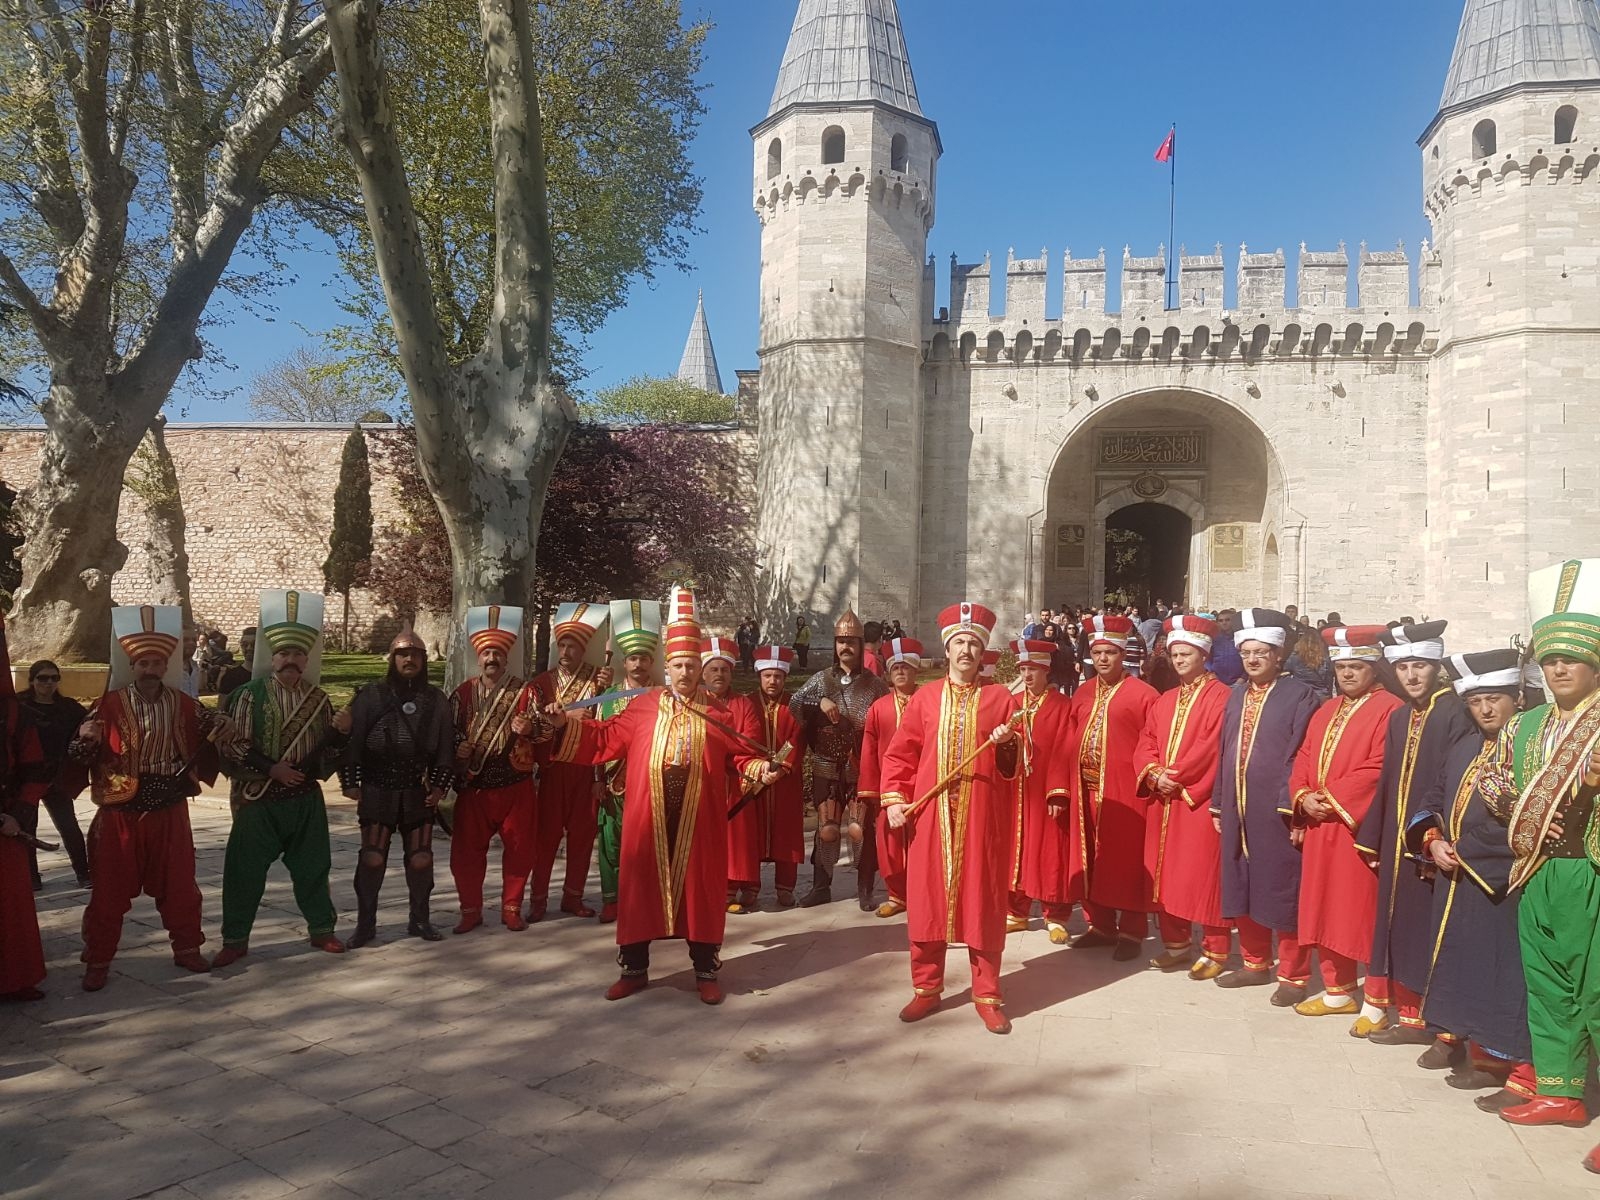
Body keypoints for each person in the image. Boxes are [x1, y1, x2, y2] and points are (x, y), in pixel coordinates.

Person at [539, 603, 776, 1005]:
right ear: (668, 667)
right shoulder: (643, 707)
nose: (685, 673)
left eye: (691, 665)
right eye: (678, 665)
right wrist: (565, 724)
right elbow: (602, 738)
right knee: (640, 888)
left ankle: (705, 970)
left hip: (698, 820)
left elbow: (738, 755)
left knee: (700, 889)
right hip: (647, 817)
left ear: (699, 667)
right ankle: (633, 970)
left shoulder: (716, 712)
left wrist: (758, 768)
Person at [1476, 560, 1600, 1157]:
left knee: (1597, 990)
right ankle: (1561, 1091)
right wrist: (1528, 815)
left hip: (1592, 870)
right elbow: (1492, 780)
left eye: (1571, 659)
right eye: (1551, 659)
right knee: (1548, 986)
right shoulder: (1524, 725)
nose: (1559, 668)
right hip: (1536, 869)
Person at [70, 605, 234, 991]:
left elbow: (218, 733)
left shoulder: (184, 704)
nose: (150, 668)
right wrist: (84, 740)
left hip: (169, 805)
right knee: (108, 890)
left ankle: (187, 948)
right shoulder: (107, 705)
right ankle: (98, 960)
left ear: (166, 665)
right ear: (133, 665)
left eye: (157, 662)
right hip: (120, 809)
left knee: (179, 883)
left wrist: (225, 725)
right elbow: (77, 754)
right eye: (143, 662)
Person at [881, 602, 1021, 1033]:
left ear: (982, 653)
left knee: (983, 902)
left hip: (982, 818)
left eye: (973, 644)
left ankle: (987, 994)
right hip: (931, 817)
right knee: (926, 902)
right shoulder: (925, 698)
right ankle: (926, 989)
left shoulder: (1000, 699)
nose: (966, 650)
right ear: (948, 650)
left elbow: (1017, 766)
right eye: (959, 642)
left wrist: (1006, 741)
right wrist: (893, 800)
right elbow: (902, 753)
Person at [1413, 648, 1535, 1112]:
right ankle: (1464, 1039)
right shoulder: (1464, 745)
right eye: (1477, 700)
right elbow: (1437, 793)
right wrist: (1432, 839)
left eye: (1494, 700)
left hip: (1496, 879)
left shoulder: (1528, 747)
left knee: (1500, 969)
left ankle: (1502, 1059)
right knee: (1459, 959)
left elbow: (1526, 815)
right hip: (1455, 872)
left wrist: (1465, 849)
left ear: (1515, 698)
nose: (1485, 710)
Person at [1356, 619, 1478, 1050]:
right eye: (1403, 666)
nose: (1411, 675)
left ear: (1436, 667)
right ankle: (1409, 1015)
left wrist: (1432, 839)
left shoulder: (1455, 713)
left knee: (1430, 930)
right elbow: (1389, 779)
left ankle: (1440, 1022)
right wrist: (1375, 837)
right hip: (1397, 839)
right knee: (1399, 926)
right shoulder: (1400, 715)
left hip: (1432, 843)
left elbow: (1455, 781)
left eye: (1420, 666)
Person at [213, 590, 351, 967]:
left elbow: (326, 754)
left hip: (304, 798)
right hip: (258, 796)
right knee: (244, 870)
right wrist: (271, 768)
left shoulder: (320, 700)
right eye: (283, 654)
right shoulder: (248, 695)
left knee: (313, 866)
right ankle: (235, 939)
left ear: (307, 659)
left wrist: (341, 734)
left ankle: (322, 930)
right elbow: (234, 745)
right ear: (271, 658)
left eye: (297, 654)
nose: (290, 660)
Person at [1284, 626, 1402, 1025]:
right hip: (1320, 826)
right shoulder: (1326, 708)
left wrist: (1331, 799)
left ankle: (1376, 1001)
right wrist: (1302, 795)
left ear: (1374, 667)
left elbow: (1380, 766)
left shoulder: (1390, 708)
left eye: (1357, 666)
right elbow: (1304, 754)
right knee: (1322, 908)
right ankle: (1338, 991)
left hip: (1357, 828)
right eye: (1342, 667)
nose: (1348, 674)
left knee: (1361, 913)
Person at [1211, 608, 1321, 1003]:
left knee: (1280, 889)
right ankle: (1254, 962)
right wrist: (1220, 803)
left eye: (1262, 652)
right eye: (1247, 653)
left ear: (1278, 654)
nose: (1253, 660)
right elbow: (1225, 749)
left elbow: (1301, 754)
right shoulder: (1238, 693)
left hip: (1274, 809)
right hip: (1237, 807)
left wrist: (1290, 806)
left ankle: (1293, 976)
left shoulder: (1301, 695)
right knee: (1241, 881)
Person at [338, 626, 456, 947]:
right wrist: (350, 782)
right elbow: (354, 741)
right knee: (372, 858)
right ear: (392, 659)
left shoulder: (436, 700)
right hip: (377, 786)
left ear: (423, 659)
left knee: (421, 858)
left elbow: (446, 749)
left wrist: (440, 787)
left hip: (416, 788)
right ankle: (365, 925)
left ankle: (419, 920)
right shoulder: (371, 695)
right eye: (402, 654)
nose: (408, 659)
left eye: (415, 654)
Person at [1135, 614, 1232, 978]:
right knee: (1164, 872)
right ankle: (1175, 943)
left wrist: (1174, 777)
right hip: (1163, 799)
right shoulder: (1166, 699)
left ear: (1203, 655)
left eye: (1186, 655)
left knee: (1203, 873)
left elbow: (1212, 748)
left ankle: (1216, 948)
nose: (1178, 661)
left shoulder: (1220, 696)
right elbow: (1146, 740)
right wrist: (1152, 772)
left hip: (1195, 799)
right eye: (1174, 655)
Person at [1062, 613, 1159, 960]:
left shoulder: (1144, 694)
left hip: (1125, 791)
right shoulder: (1084, 692)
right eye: (1098, 652)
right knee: (1091, 856)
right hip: (1085, 789)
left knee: (1126, 860)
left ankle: (1132, 931)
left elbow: (1153, 742)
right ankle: (1099, 924)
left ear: (1123, 655)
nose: (1103, 659)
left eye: (1111, 653)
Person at [448, 605, 540, 935]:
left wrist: (529, 729)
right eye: (487, 652)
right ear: (479, 657)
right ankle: (470, 910)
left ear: (505, 657)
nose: (492, 658)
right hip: (476, 786)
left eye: (498, 653)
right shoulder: (462, 693)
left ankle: (512, 908)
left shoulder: (525, 691)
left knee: (519, 849)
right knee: (466, 853)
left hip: (516, 783)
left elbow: (544, 731)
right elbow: (449, 731)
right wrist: (459, 746)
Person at [788, 610, 889, 908]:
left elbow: (885, 719)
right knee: (827, 829)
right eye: (840, 642)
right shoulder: (821, 680)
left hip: (859, 765)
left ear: (860, 645)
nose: (845, 648)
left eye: (851, 642)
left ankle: (865, 887)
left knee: (859, 829)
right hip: (826, 764)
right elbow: (794, 706)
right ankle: (821, 886)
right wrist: (818, 701)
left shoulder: (874, 685)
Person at [528, 602, 613, 921]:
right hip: (553, 768)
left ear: (582, 650)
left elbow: (604, 723)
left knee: (581, 837)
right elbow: (533, 727)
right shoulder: (541, 684)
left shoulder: (598, 681)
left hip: (586, 768)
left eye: (572, 646)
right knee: (546, 837)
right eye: (561, 645)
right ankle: (537, 900)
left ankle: (573, 898)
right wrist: (566, 718)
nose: (565, 651)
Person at [594, 598, 663, 924]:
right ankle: (612, 900)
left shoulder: (664, 697)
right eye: (633, 658)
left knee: (649, 845)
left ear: (651, 662)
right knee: (610, 842)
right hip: (613, 784)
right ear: (625, 660)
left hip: (651, 785)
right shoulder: (608, 698)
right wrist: (596, 780)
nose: (638, 664)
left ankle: (645, 899)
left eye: (644, 659)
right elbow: (596, 739)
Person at [1006, 638, 1075, 942]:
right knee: (1015, 850)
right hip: (1016, 791)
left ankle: (1055, 915)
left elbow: (1065, 748)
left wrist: (1058, 790)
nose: (1028, 674)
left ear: (1046, 670)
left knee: (1049, 850)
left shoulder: (1061, 705)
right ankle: (1017, 911)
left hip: (1045, 789)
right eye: (1023, 668)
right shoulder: (1014, 703)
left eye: (1033, 668)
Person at [728, 644, 806, 912]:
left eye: (778, 676)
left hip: (784, 781)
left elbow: (795, 739)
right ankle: (750, 886)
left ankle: (785, 887)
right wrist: (757, 769)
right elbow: (740, 739)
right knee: (751, 833)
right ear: (759, 676)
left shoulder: (793, 705)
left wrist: (780, 767)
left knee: (785, 831)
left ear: (784, 677)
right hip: (752, 780)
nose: (773, 681)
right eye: (768, 676)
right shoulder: (745, 704)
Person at [0, 612, 48, 1002]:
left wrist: (17, 812)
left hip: (5, 827)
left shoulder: (14, 714)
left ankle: (14, 979)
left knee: (10, 908)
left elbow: (35, 771)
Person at [858, 635, 924, 918]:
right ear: (888, 671)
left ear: (915, 670)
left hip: (924, 786)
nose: (900, 671)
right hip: (889, 788)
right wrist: (871, 791)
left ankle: (924, 894)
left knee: (923, 843)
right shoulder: (879, 708)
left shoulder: (929, 701)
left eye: (906, 667)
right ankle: (897, 895)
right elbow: (869, 752)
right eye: (895, 667)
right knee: (890, 844)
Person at [16, 660, 91, 888]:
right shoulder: (20, 706)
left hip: (57, 776)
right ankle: (31, 878)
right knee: (27, 828)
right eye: (42, 678)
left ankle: (84, 873)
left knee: (68, 825)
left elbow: (88, 724)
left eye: (53, 678)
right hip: (26, 778)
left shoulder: (68, 708)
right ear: (32, 680)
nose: (48, 683)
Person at [1286, 624, 1333, 698]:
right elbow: (1328, 679)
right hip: (1321, 694)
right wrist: (1329, 694)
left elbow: (1285, 672)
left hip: (1301, 694)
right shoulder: (1324, 657)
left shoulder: (1295, 657)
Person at [214, 627, 256, 696]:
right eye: (245, 644)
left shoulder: (270, 674)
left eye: (254, 644)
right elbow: (223, 705)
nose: (249, 648)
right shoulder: (230, 676)